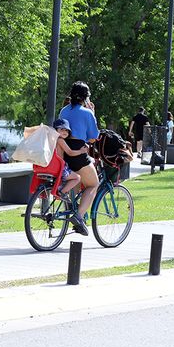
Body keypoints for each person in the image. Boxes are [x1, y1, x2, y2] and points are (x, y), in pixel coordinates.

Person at [59, 81, 100, 236]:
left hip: (63, 151)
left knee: (76, 178)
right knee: (93, 184)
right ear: (86, 98)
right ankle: (79, 216)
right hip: (78, 152)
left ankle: (72, 205)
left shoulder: (64, 110)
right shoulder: (87, 113)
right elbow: (93, 137)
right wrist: (93, 114)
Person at [52, 118, 86, 199]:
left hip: (53, 167)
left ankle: (61, 190)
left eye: (67, 130)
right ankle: (61, 193)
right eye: (62, 129)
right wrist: (81, 151)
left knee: (68, 177)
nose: (65, 132)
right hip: (60, 168)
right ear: (55, 130)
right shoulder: (60, 140)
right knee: (77, 178)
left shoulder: (52, 140)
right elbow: (70, 152)